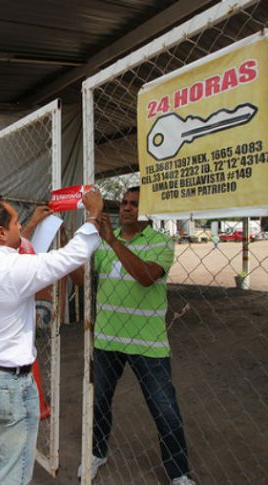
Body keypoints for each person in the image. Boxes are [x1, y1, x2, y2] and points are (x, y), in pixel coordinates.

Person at [0, 190, 104, 485]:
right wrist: (92, 216)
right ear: (1, 232)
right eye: (16, 223)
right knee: (12, 472)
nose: (20, 227)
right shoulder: (15, 271)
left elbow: (14, 249)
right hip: (9, 386)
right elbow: (70, 256)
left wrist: (31, 226)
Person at [70, 187, 195, 485]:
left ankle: (178, 472)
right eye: (124, 203)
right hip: (107, 339)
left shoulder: (161, 242)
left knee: (164, 409)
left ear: (147, 211)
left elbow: (146, 276)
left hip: (147, 344)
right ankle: (97, 452)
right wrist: (70, 247)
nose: (126, 208)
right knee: (99, 401)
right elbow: (82, 281)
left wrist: (112, 241)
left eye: (134, 204)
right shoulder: (102, 245)